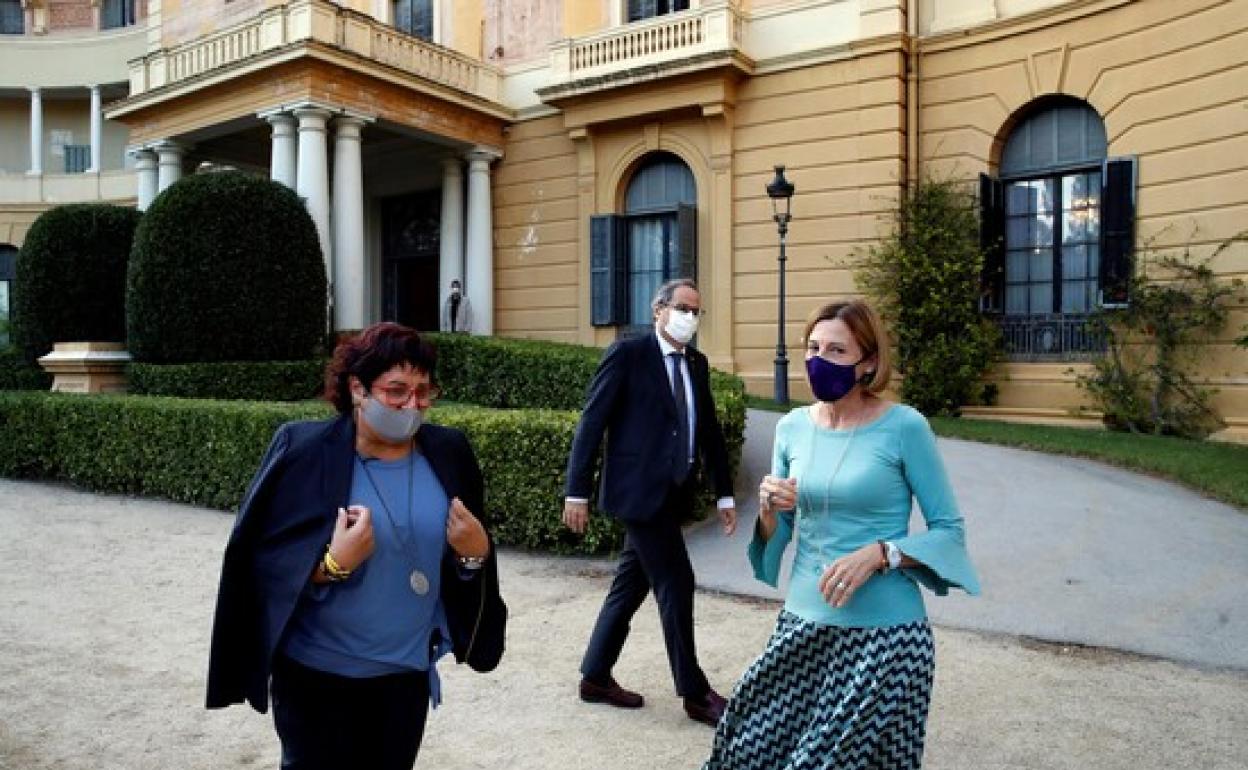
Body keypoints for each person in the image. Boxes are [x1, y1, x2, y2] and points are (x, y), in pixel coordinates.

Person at [206, 321, 507, 770]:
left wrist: (474, 553)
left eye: (424, 391)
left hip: (404, 679)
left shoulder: (449, 452)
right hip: (316, 680)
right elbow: (259, 560)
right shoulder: (303, 450)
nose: (413, 404)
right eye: (396, 390)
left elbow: (463, 562)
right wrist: (331, 565)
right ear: (357, 389)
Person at [704, 299, 979, 770]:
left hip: (885, 639)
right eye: (812, 348)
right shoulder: (792, 428)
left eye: (836, 350)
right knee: (744, 747)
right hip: (802, 626)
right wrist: (769, 509)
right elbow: (778, 535)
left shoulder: (905, 427)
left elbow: (949, 532)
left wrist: (880, 554)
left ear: (867, 361)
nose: (818, 360)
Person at [562, 277, 738, 727]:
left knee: (630, 584)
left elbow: (710, 432)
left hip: (674, 492)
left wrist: (723, 493)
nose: (690, 318)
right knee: (676, 583)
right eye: (683, 308)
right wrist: (576, 490)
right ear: (658, 309)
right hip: (638, 494)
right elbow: (592, 421)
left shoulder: (695, 363)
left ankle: (595, 676)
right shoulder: (628, 353)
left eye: (697, 312)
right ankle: (695, 693)